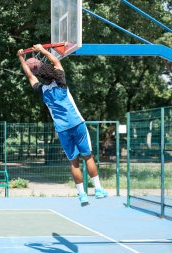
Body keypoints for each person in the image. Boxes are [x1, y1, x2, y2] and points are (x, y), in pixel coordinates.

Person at [17, 44, 108, 206]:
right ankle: (98, 189)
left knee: (74, 162)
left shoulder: (42, 91)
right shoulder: (61, 82)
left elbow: (30, 75)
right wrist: (42, 50)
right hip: (77, 123)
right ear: (50, 72)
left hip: (62, 129)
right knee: (88, 157)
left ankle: (82, 195)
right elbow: (56, 63)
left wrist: (21, 58)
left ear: (41, 76)